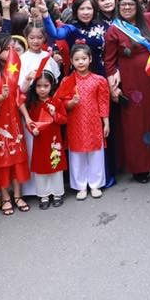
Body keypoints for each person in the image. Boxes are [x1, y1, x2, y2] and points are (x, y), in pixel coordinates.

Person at [104, 0, 150, 183]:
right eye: (122, 5)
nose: (126, 8)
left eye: (130, 5)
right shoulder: (114, 30)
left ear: (137, 6)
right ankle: (139, 168)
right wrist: (113, 86)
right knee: (134, 124)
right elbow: (109, 61)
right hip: (132, 84)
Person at [0, 35, 31, 215]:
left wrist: (26, 83)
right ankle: (5, 196)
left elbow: (19, 94)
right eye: (6, 48)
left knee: (17, 156)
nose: (11, 51)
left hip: (13, 118)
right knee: (1, 157)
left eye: (12, 47)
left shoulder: (13, 68)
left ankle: (18, 195)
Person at [60, 44, 111, 199]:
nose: (80, 62)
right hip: (75, 122)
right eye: (76, 59)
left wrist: (106, 122)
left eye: (83, 58)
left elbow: (103, 102)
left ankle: (95, 184)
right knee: (77, 154)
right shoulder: (67, 81)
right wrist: (71, 103)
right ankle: (80, 185)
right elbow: (62, 104)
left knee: (96, 153)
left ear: (90, 59)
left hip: (94, 122)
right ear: (71, 61)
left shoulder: (99, 80)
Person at [21, 68, 67, 210]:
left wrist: (54, 114)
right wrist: (32, 130)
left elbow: (64, 120)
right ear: (34, 87)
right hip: (39, 140)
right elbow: (29, 121)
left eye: (46, 86)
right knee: (41, 167)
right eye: (39, 86)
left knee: (55, 164)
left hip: (54, 139)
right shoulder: (33, 104)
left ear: (51, 85)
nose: (42, 89)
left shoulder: (56, 102)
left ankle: (57, 193)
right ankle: (44, 195)